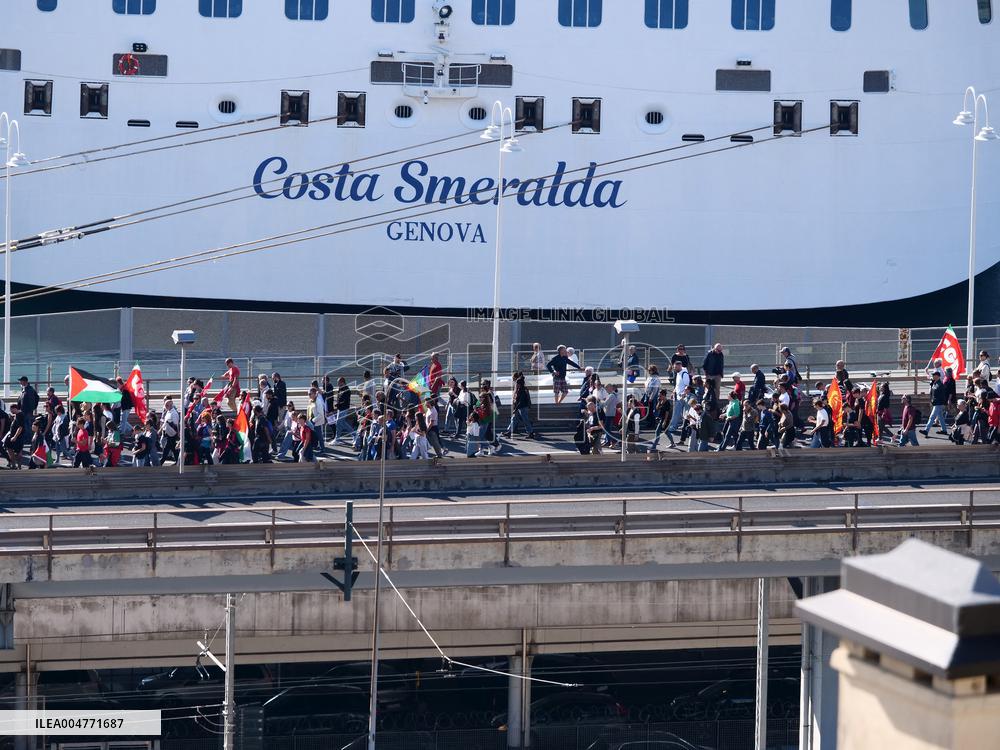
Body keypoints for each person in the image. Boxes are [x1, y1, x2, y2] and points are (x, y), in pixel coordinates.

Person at [503, 372, 536, 439]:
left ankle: (530, 433)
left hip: (523, 407)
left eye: (517, 383)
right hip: (520, 407)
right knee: (514, 419)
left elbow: (521, 401)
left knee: (525, 420)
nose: (516, 384)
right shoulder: (520, 390)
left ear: (520, 384)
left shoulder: (522, 390)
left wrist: (515, 409)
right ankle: (509, 432)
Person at [921, 370, 949, 436]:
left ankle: (926, 430)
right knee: (940, 417)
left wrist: (941, 402)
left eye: (934, 375)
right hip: (936, 402)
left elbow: (942, 395)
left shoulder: (940, 384)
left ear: (937, 376)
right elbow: (932, 392)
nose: (932, 376)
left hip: (938, 403)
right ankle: (944, 430)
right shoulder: (935, 383)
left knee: (932, 417)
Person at [307, 387, 326, 454]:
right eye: (308, 394)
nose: (309, 395)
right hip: (311, 421)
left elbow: (321, 414)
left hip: (316, 422)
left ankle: (322, 449)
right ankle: (315, 446)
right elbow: (309, 410)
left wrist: (313, 420)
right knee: (313, 435)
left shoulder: (318, 401)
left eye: (310, 394)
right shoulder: (311, 400)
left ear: (315, 394)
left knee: (319, 436)